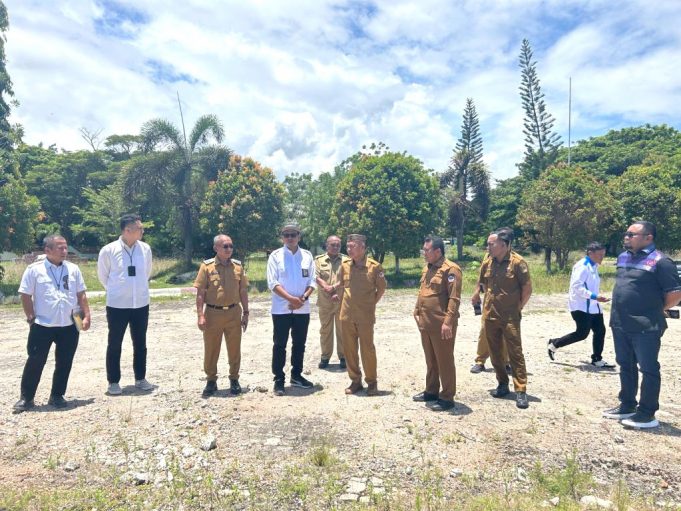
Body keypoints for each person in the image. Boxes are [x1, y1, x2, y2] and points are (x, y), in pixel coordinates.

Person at [603, 221, 681, 429]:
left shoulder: (661, 261)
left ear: (648, 237)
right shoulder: (623, 257)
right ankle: (627, 404)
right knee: (625, 364)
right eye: (626, 234)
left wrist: (654, 309)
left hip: (646, 325)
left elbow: (675, 294)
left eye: (632, 234)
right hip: (620, 322)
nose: (626, 237)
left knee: (648, 368)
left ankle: (647, 413)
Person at [13, 235, 91, 413]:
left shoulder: (73, 269)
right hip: (42, 325)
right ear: (47, 250)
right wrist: (31, 317)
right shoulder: (34, 270)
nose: (65, 251)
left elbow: (81, 294)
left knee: (65, 361)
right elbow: (25, 295)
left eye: (66, 247)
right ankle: (26, 398)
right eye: (60, 248)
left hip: (69, 324)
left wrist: (86, 316)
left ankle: (57, 395)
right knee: (35, 361)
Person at [475, 229, 532, 409]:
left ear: (504, 245)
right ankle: (502, 384)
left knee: (515, 353)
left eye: (491, 244)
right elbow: (482, 283)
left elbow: (527, 289)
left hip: (509, 317)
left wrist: (517, 308)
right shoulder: (488, 262)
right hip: (490, 315)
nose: (488, 247)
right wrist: (477, 295)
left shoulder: (518, 263)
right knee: (495, 353)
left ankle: (521, 390)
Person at [97, 214, 154, 395]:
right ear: (127, 230)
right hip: (117, 305)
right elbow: (103, 276)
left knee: (140, 343)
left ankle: (140, 378)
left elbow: (147, 272)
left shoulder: (145, 249)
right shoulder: (108, 250)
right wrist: (118, 291)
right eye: (139, 228)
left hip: (140, 304)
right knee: (115, 343)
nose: (142, 230)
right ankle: (113, 381)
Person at [194, 234, 249, 397]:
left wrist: (246, 312)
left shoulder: (238, 267)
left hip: (233, 313)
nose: (229, 249)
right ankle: (211, 380)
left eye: (231, 246)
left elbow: (243, 291)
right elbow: (200, 293)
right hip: (213, 314)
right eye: (225, 246)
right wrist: (200, 315)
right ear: (216, 248)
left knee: (234, 348)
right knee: (211, 348)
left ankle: (234, 379)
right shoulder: (206, 267)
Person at [412, 236, 462, 411]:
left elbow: (454, 298)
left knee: (444, 361)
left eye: (426, 250)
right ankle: (431, 391)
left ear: (438, 251)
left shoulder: (451, 270)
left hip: (441, 325)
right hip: (426, 323)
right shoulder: (428, 268)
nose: (424, 253)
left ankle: (447, 397)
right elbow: (423, 290)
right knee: (431, 360)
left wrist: (448, 322)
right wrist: (417, 309)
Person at [333, 234, 386, 396]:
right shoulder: (345, 265)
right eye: (348, 246)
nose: (349, 249)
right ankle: (355, 381)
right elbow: (342, 285)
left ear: (363, 248)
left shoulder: (374, 267)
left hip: (365, 316)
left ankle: (372, 383)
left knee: (367, 349)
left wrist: (371, 304)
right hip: (346, 315)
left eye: (353, 246)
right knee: (349, 350)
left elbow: (381, 288)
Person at [266, 223, 316, 396]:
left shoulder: (307, 256)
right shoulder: (275, 256)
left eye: (293, 234)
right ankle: (279, 379)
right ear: (282, 237)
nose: (289, 238)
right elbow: (273, 283)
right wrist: (291, 299)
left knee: (299, 343)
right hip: (281, 308)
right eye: (286, 235)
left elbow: (312, 281)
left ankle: (296, 375)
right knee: (280, 344)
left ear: (299, 237)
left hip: (302, 308)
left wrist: (302, 299)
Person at [548, 242, 614, 368]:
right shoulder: (582, 266)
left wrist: (597, 298)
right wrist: (595, 296)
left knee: (600, 331)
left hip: (594, 306)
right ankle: (554, 343)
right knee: (582, 334)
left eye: (603, 254)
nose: (602, 257)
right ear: (590, 253)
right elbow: (577, 287)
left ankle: (597, 359)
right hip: (581, 307)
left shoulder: (594, 266)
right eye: (600, 254)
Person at [314, 235, 347, 369]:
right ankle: (325, 357)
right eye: (333, 245)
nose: (335, 247)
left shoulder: (346, 260)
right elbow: (316, 276)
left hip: (341, 302)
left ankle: (344, 357)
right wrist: (328, 288)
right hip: (325, 302)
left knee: (343, 331)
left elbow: (347, 278)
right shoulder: (318, 260)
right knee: (325, 330)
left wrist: (333, 288)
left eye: (338, 245)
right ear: (327, 245)